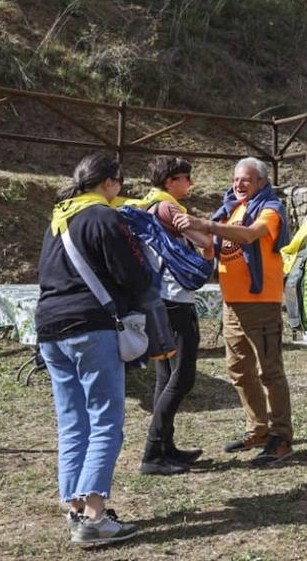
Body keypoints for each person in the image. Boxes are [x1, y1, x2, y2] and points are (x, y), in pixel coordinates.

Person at [36, 153, 149, 547]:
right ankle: (96, 516)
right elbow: (134, 275)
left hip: (50, 327)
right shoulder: (103, 217)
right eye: (120, 183)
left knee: (72, 421)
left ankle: (75, 506)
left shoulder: (58, 218)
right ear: (110, 182)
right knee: (105, 420)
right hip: (90, 327)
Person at [175, 157, 292, 468]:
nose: (239, 185)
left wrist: (205, 225)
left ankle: (282, 437)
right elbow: (216, 245)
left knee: (270, 372)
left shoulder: (270, 209)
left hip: (261, 303)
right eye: (236, 179)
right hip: (232, 303)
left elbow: (251, 235)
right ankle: (258, 430)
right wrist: (197, 236)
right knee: (239, 371)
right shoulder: (231, 208)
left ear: (262, 183)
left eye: (247, 180)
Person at [131, 156, 212, 476]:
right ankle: (152, 452)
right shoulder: (169, 209)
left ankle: (166, 447)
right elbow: (206, 243)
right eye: (185, 178)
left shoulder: (147, 207)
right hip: (176, 302)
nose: (190, 184)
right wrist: (208, 243)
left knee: (165, 375)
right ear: (169, 181)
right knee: (183, 378)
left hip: (157, 301)